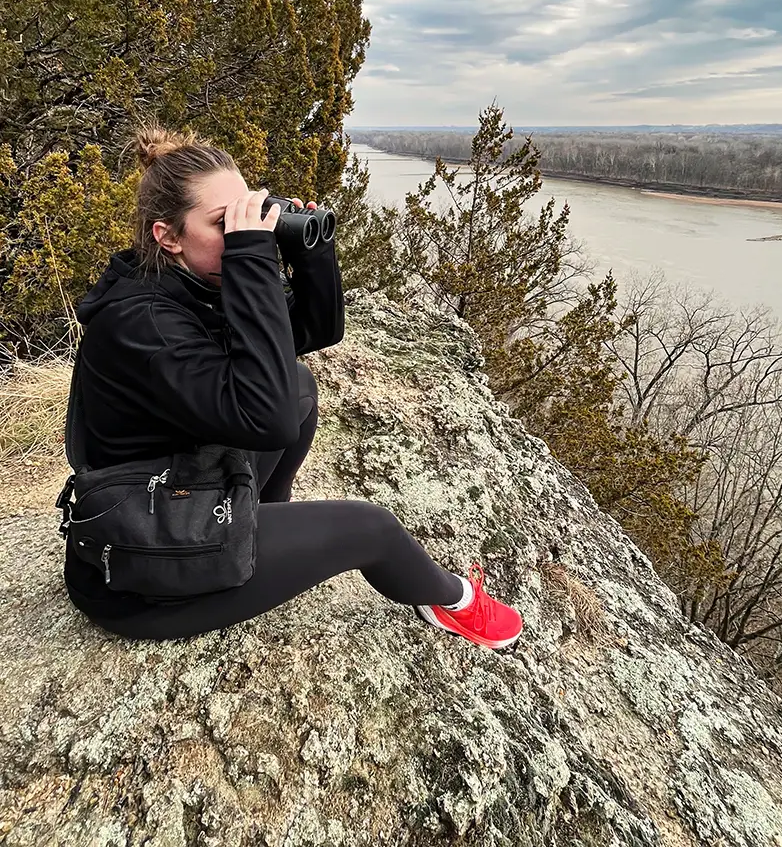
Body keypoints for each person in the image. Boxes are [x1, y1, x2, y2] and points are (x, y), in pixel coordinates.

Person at [62, 123, 523, 649]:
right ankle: (454, 602)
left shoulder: (189, 283)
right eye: (224, 223)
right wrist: (252, 258)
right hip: (143, 559)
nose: (244, 231)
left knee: (298, 386)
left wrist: (310, 253)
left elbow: (312, 334)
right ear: (166, 236)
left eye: (248, 213)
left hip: (181, 482)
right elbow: (267, 417)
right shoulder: (141, 322)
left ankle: (262, 519)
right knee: (370, 530)